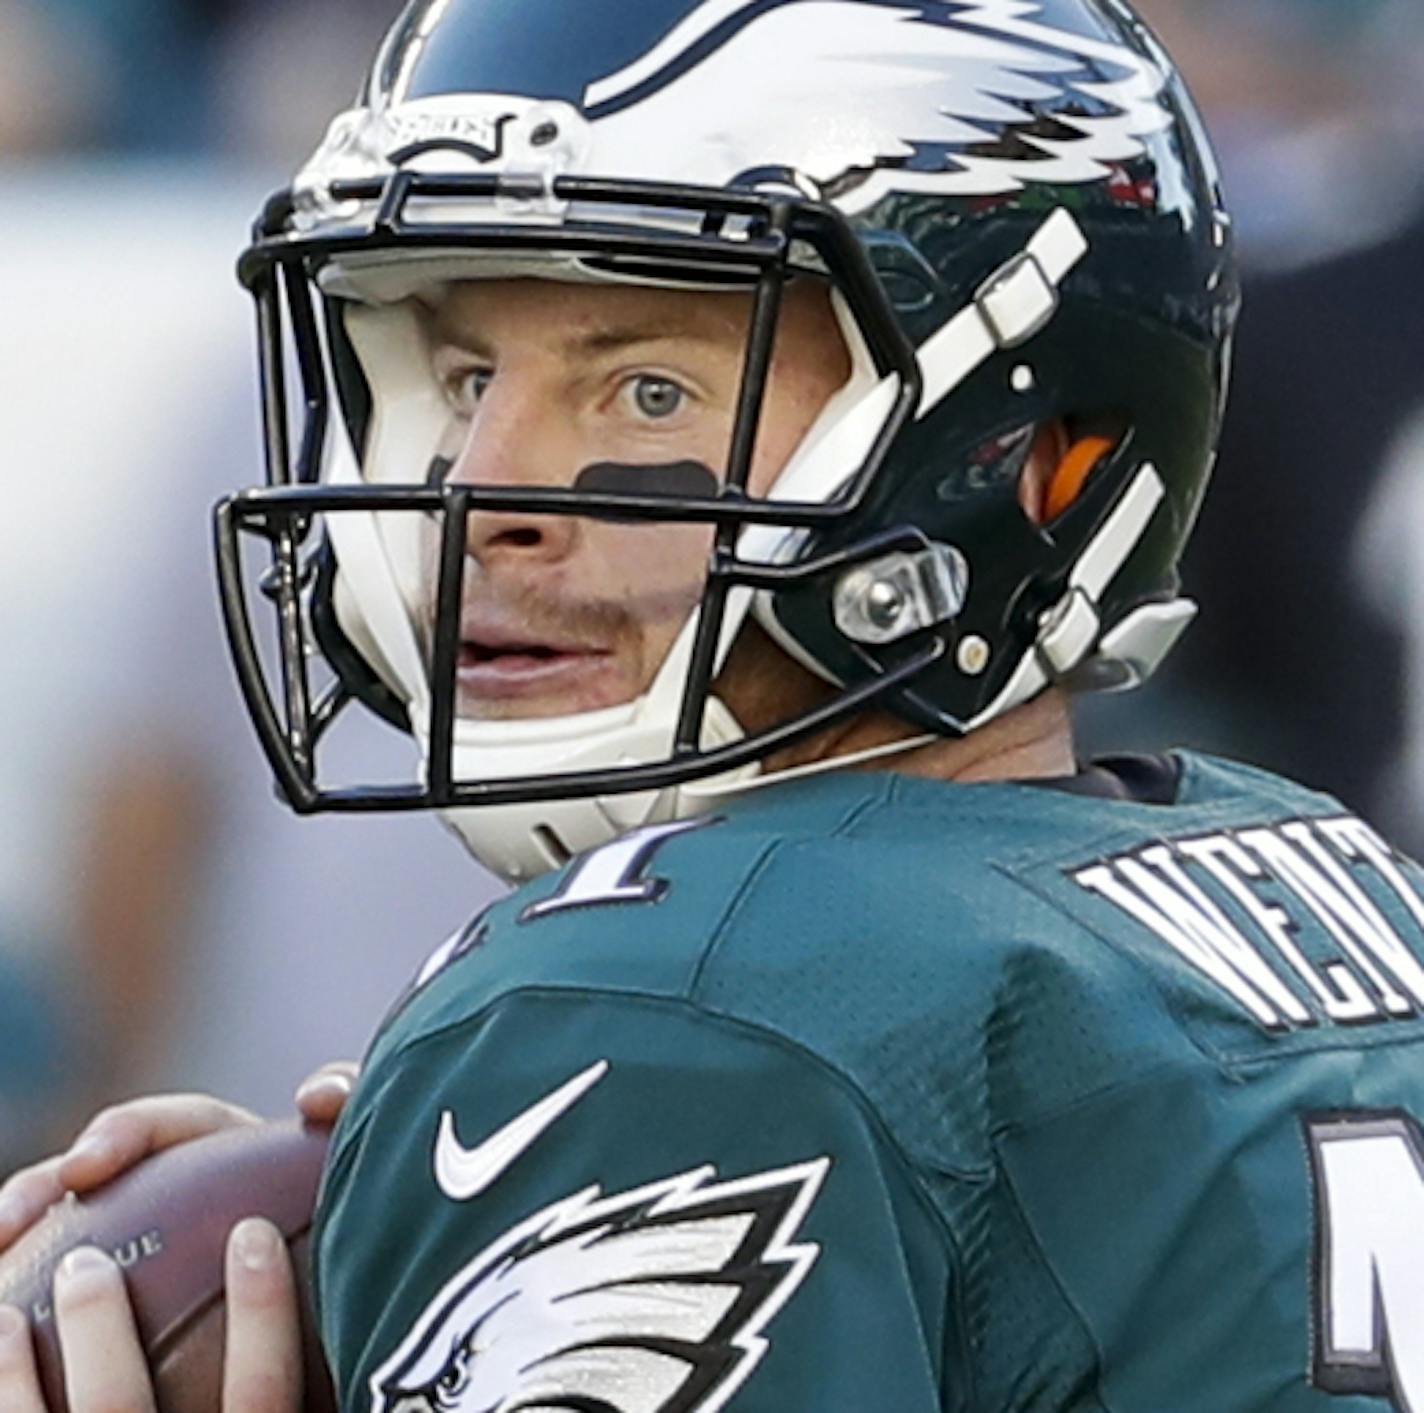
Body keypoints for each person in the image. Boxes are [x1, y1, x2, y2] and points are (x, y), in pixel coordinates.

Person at [5, 0, 1424, 1409]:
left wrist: (589, 1095)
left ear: (1024, 452)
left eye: (649, 390)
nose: (476, 495)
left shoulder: (661, 1002)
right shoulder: (1344, 896)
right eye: (465, 376)